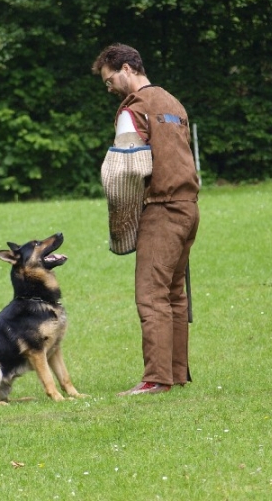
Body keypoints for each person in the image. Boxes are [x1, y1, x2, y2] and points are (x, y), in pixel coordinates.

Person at [92, 43, 200, 396]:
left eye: (110, 81)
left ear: (126, 68)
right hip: (189, 206)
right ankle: (176, 373)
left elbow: (125, 170)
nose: (109, 89)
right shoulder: (173, 103)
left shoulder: (134, 108)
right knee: (174, 294)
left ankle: (155, 379)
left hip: (162, 207)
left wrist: (120, 218)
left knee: (151, 295)